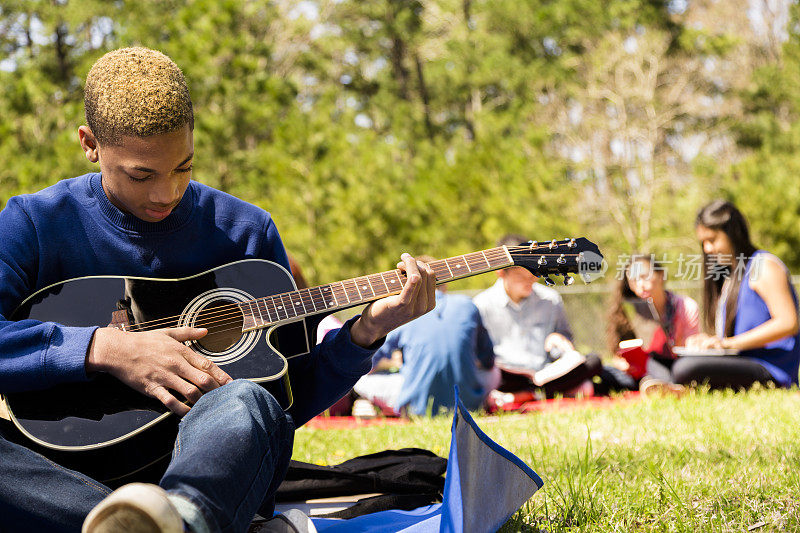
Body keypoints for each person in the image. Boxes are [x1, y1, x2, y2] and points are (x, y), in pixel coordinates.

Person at [0, 47, 436, 533]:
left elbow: (284, 401)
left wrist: (365, 334)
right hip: (53, 474)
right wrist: (105, 348)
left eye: (183, 167)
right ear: (90, 143)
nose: (166, 193)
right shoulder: (34, 224)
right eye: (141, 174)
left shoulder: (245, 233)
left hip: (204, 474)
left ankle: (175, 519)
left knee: (247, 401)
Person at [649, 200, 800, 392]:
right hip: (740, 360)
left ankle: (675, 385)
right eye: (703, 242)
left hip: (770, 370)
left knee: (686, 368)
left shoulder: (763, 266)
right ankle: (669, 385)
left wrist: (726, 343)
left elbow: (789, 323)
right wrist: (709, 342)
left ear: (733, 234)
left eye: (712, 240)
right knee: (659, 360)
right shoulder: (730, 276)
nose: (707, 249)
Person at [353, 256, 500, 416]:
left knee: (358, 379)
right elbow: (488, 360)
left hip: (416, 407)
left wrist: (395, 364)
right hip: (469, 404)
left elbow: (369, 361)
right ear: (446, 281)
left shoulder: (404, 309)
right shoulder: (466, 304)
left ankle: (372, 405)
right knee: (495, 372)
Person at [472, 235, 601, 398]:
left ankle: (527, 395)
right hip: (505, 378)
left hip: (544, 374)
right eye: (521, 275)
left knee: (593, 361)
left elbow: (566, 344)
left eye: (533, 273)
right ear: (501, 272)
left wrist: (559, 340)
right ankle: (538, 393)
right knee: (489, 377)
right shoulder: (481, 305)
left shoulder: (550, 300)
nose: (530, 280)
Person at [606, 254, 700, 386]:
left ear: (661, 275)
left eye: (645, 277)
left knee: (679, 369)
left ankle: (658, 384)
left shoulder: (686, 306)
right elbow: (618, 352)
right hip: (640, 368)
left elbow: (692, 345)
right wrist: (621, 363)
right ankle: (655, 383)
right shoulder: (628, 310)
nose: (641, 285)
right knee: (608, 373)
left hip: (679, 363)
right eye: (633, 280)